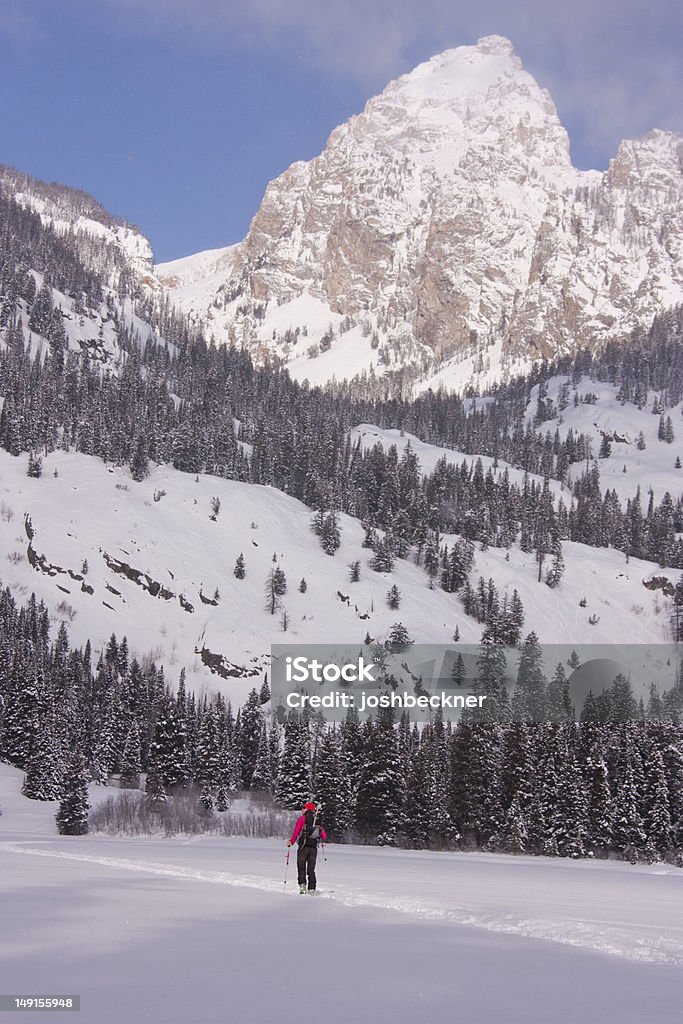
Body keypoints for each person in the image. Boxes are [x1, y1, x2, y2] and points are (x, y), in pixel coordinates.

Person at [288, 801, 327, 894]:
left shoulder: (302, 819)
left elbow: (296, 832)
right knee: (311, 869)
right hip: (313, 848)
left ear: (307, 809)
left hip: (303, 847)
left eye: (303, 808)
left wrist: (291, 841)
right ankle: (311, 889)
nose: (302, 810)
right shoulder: (317, 821)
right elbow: (324, 835)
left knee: (301, 867)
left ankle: (302, 886)